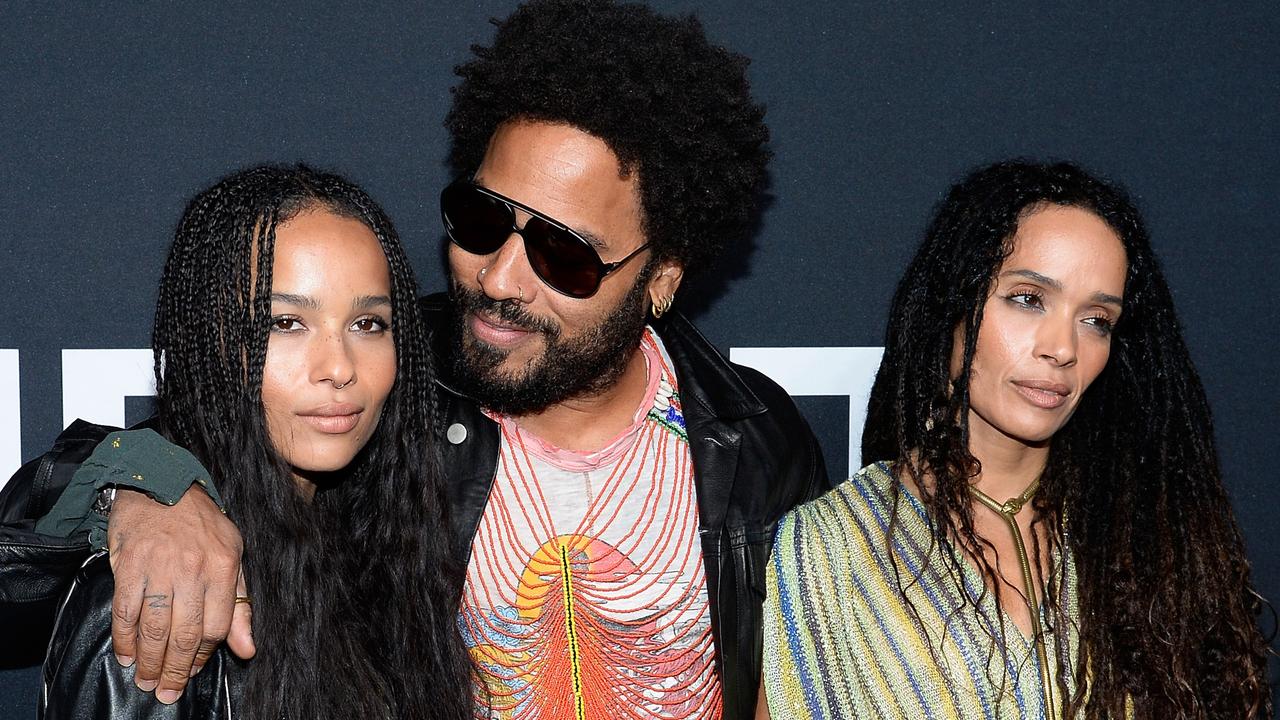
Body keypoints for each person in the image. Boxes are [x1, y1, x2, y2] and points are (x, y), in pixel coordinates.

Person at [3, 1, 829, 718]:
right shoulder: (400, 387)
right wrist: (143, 485)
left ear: (663, 277)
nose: (500, 279)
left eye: (565, 254)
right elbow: (184, 447)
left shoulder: (756, 442)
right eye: (481, 219)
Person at [759, 161, 1272, 718]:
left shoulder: (1149, 535)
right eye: (1028, 299)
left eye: (1096, 319)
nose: (1063, 347)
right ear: (952, 305)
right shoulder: (833, 544)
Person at [24, 165, 474, 718]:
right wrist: (137, 485)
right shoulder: (162, 586)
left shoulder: (386, 546)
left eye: (368, 324)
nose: (339, 367)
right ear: (210, 342)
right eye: (285, 323)